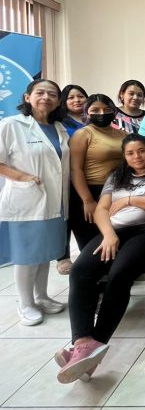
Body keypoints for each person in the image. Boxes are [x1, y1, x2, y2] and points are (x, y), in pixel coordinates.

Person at [55, 133, 145, 384]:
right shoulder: (116, 176)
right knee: (80, 271)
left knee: (119, 273)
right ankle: (82, 342)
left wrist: (130, 199)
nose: (137, 156)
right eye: (130, 153)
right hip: (114, 232)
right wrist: (109, 235)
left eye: (141, 151)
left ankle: (97, 343)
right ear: (124, 156)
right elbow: (102, 209)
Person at [0, 80, 69, 326]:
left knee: (44, 253)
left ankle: (42, 296)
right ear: (27, 97)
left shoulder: (58, 127)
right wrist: (23, 178)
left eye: (52, 94)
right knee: (27, 255)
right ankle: (25, 303)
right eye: (40, 93)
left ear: (58, 101)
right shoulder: (11, 125)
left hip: (54, 200)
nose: (46, 97)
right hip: (27, 200)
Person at [69, 94, 126, 251]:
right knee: (92, 245)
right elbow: (75, 169)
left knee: (114, 241)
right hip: (90, 192)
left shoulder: (122, 134)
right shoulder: (83, 134)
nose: (102, 113)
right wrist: (87, 200)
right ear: (87, 112)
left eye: (107, 109)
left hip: (116, 192)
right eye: (95, 110)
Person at [57, 83, 89, 274]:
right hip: (67, 176)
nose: (77, 100)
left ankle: (88, 253)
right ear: (64, 101)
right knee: (66, 216)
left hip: (90, 174)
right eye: (71, 97)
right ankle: (63, 256)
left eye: (80, 96)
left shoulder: (93, 118)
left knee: (83, 216)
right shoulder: (60, 122)